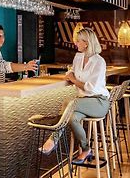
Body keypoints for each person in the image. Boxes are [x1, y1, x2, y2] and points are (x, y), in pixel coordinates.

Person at [40, 28, 110, 164]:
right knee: (71, 118)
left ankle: (53, 139)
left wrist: (73, 79)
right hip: (83, 101)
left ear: (86, 43)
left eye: (78, 41)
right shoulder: (78, 57)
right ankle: (86, 149)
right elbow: (70, 72)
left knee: (69, 103)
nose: (75, 43)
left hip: (99, 102)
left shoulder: (99, 61)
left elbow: (90, 87)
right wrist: (72, 77)